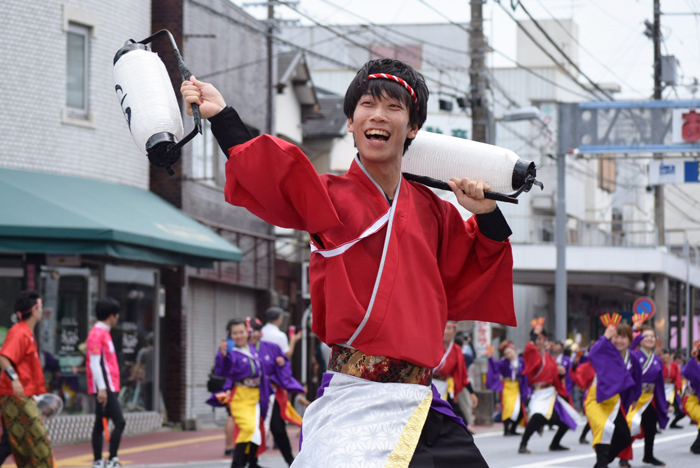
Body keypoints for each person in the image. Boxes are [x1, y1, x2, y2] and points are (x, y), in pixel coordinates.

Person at [182, 57, 516, 467]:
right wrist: (223, 117)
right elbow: (276, 174)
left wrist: (485, 213)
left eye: (394, 107)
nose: (378, 114)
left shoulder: (436, 213)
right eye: (368, 104)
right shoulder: (328, 196)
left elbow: (476, 263)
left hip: (421, 403)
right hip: (355, 398)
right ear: (350, 122)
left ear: (412, 128)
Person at [0, 291, 55, 468]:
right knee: (38, 440)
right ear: (34, 309)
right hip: (15, 395)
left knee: (11, 442)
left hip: (23, 394)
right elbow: (3, 357)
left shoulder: (27, 332)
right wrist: (14, 379)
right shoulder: (19, 332)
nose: (41, 310)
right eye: (40, 306)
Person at [208, 318, 272, 468]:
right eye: (235, 333)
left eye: (241, 332)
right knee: (249, 428)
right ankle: (237, 464)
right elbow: (222, 370)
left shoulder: (252, 348)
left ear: (247, 332)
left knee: (255, 431)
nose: (239, 335)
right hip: (240, 396)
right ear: (230, 335)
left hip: (256, 395)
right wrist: (222, 356)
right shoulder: (231, 353)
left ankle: (250, 463)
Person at [249, 318, 309, 467]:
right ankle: (252, 462)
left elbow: (285, 368)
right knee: (252, 428)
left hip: (271, 394)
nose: (252, 334)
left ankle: (290, 461)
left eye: (255, 330)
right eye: (249, 331)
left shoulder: (272, 347)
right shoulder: (241, 350)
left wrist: (280, 364)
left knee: (278, 428)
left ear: (260, 332)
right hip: (249, 395)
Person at [584, 324, 641, 468]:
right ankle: (602, 464)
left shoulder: (633, 358)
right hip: (597, 397)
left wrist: (634, 397)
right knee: (604, 428)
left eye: (623, 337)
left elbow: (637, 379)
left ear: (629, 340)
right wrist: (605, 336)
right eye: (616, 336)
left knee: (625, 438)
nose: (618, 340)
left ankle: (601, 464)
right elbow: (592, 353)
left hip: (614, 400)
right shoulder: (605, 351)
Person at [518, 325, 581, 454]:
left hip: (551, 393)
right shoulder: (531, 354)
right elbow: (529, 351)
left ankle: (555, 443)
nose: (538, 341)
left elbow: (555, 377)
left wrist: (561, 373)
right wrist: (534, 333)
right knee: (537, 417)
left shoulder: (550, 358)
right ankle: (523, 444)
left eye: (541, 338)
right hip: (538, 393)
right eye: (536, 338)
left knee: (568, 419)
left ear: (545, 340)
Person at [86, 298, 126, 468]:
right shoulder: (96, 334)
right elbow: (94, 363)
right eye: (116, 315)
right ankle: (112, 459)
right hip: (105, 387)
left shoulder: (105, 333)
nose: (117, 318)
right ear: (112, 316)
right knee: (120, 422)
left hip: (110, 386)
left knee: (99, 423)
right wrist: (102, 388)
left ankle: (99, 460)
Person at [621, 324, 668, 467]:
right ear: (639, 339)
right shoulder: (633, 355)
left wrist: (662, 402)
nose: (649, 339)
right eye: (645, 336)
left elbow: (659, 384)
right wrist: (634, 331)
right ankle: (624, 458)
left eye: (652, 336)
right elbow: (625, 355)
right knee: (630, 426)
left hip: (648, 398)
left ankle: (648, 455)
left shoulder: (656, 359)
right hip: (634, 397)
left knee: (651, 427)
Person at [433, 321, 478, 425]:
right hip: (428, 384)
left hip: (443, 386)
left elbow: (462, 374)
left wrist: (472, 393)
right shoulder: (433, 345)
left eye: (449, 328)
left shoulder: (456, 350)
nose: (446, 331)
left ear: (454, 331)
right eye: (444, 328)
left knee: (457, 419)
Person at [486, 340, 529, 436]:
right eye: (506, 354)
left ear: (513, 350)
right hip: (507, 386)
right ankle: (506, 430)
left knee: (519, 409)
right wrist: (490, 357)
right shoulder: (503, 362)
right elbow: (494, 366)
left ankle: (513, 429)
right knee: (508, 408)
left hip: (518, 386)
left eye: (510, 352)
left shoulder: (520, 360)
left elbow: (525, 373)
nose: (509, 355)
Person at [681, 341, 700, 454]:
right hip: (690, 400)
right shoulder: (694, 365)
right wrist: (693, 356)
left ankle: (696, 445)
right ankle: (696, 446)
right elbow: (687, 372)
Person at [660, 348, 683, 429]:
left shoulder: (674, 365)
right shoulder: (659, 364)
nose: (665, 357)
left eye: (667, 355)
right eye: (663, 355)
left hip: (672, 388)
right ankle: (658, 426)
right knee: (660, 407)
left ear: (670, 356)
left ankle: (673, 423)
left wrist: (678, 390)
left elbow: (678, 378)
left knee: (681, 409)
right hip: (661, 388)